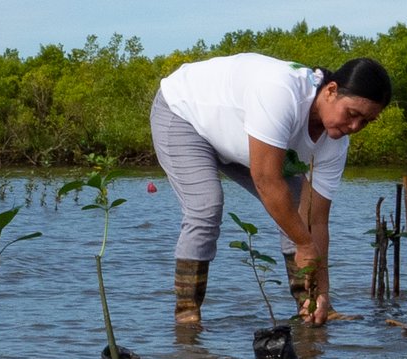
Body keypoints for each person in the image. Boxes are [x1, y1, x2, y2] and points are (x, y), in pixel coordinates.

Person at [152, 54, 391, 327]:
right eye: (352, 115)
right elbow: (266, 180)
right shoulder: (281, 92)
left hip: (240, 139)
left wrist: (324, 291)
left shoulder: (335, 144)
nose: (354, 127)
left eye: (366, 122)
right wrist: (303, 243)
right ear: (331, 90)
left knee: (299, 213)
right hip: (184, 116)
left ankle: (310, 306)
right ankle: (187, 318)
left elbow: (316, 219)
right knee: (206, 206)